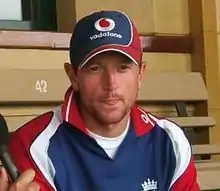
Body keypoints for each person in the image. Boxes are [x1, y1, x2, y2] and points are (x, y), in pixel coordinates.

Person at [0, 10, 200, 191]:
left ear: (141, 74)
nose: (111, 84)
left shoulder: (170, 141)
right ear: (73, 76)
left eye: (123, 68)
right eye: (95, 68)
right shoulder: (32, 146)